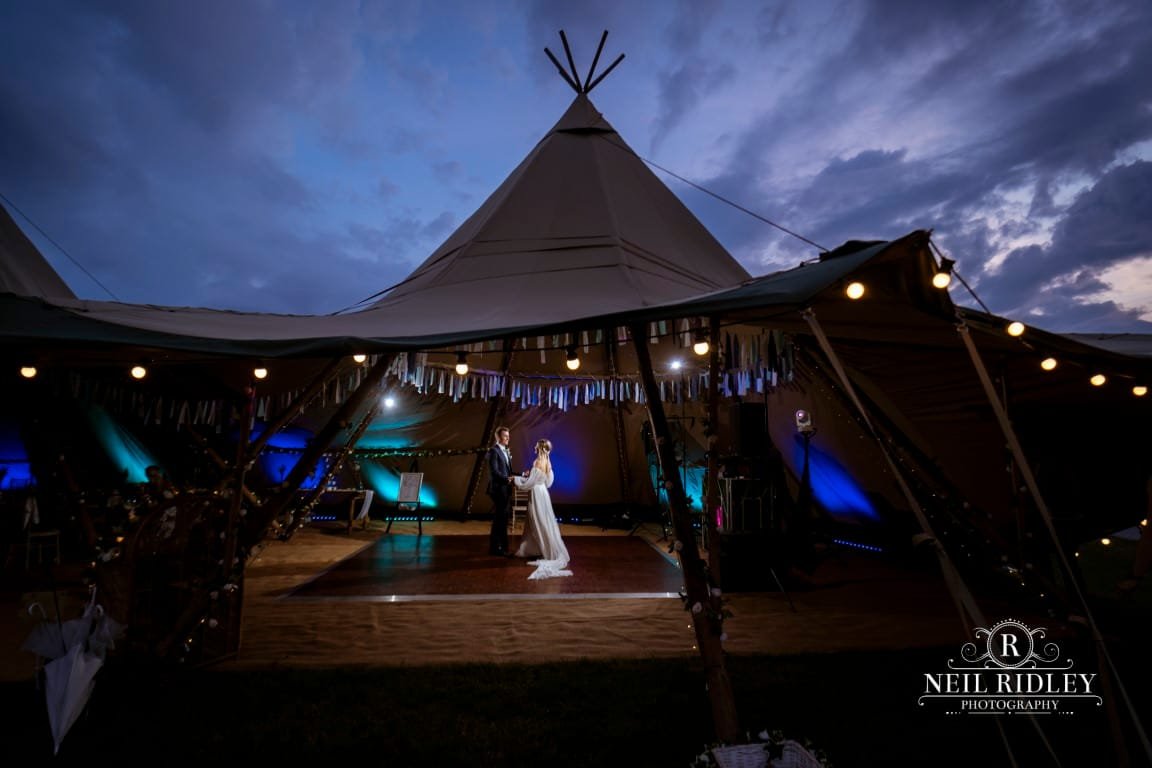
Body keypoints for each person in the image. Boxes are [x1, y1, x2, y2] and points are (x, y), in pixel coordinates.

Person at [513, 438, 572, 580]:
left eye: (536, 445)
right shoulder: (547, 462)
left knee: (537, 521)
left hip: (536, 494)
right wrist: (531, 476)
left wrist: (516, 478)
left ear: (539, 447)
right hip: (543, 493)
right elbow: (548, 482)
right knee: (541, 521)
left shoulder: (537, 462)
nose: (534, 446)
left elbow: (527, 485)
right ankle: (537, 548)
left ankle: (545, 551)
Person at [485, 426, 515, 556]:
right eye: (505, 436)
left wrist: (521, 475)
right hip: (498, 490)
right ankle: (498, 549)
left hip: (505, 490)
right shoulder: (494, 451)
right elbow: (494, 472)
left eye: (508, 435)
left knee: (502, 519)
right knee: (500, 519)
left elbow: (508, 472)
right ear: (498, 437)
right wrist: (507, 479)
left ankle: (499, 548)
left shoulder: (505, 451)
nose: (508, 438)